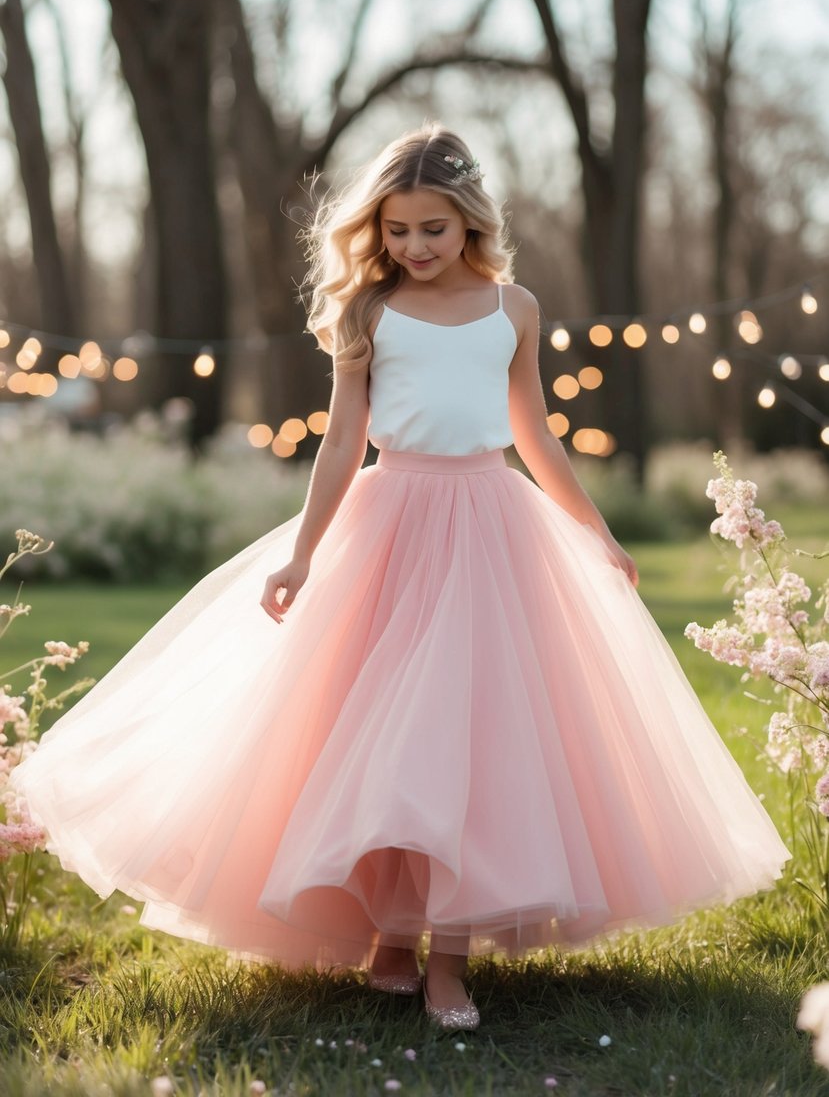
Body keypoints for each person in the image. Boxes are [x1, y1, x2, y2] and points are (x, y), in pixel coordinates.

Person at [10, 122, 791, 1033]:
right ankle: (389, 933)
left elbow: (534, 432)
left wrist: (599, 533)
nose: (413, 247)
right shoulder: (366, 313)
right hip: (387, 528)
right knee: (371, 737)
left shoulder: (515, 309)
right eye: (396, 230)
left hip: (492, 531)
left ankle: (447, 960)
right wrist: (302, 552)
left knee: (462, 741)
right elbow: (342, 440)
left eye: (432, 228)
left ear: (469, 224)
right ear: (375, 231)